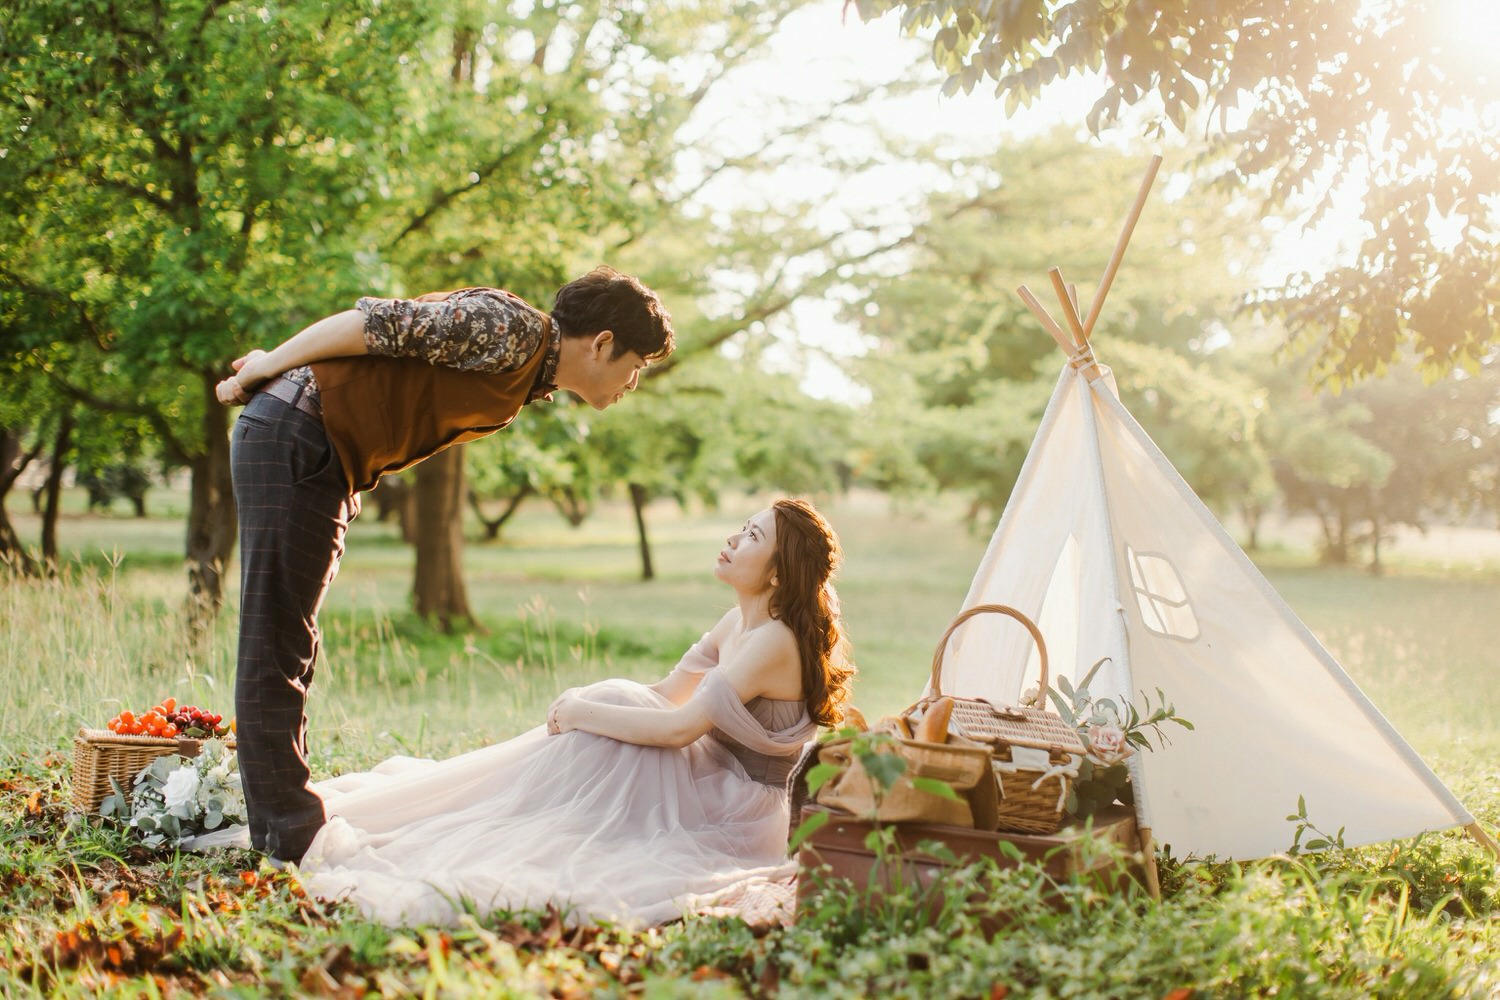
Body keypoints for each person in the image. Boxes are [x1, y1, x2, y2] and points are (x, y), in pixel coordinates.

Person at [216, 267, 675, 866]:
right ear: (604, 343)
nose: (632, 383)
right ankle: (288, 831)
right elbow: (370, 323)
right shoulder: (511, 330)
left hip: (319, 446)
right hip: (299, 429)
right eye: (635, 365)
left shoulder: (526, 369)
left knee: (289, 637)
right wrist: (264, 365)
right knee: (277, 638)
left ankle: (285, 818)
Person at [278, 498, 854, 926]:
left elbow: (678, 728)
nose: (732, 537)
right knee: (620, 698)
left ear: (778, 571)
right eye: (742, 526)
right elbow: (666, 693)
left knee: (610, 710)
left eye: (751, 535)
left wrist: (581, 710)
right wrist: (596, 704)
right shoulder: (737, 623)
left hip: (739, 806)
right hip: (701, 772)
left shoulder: (774, 642)